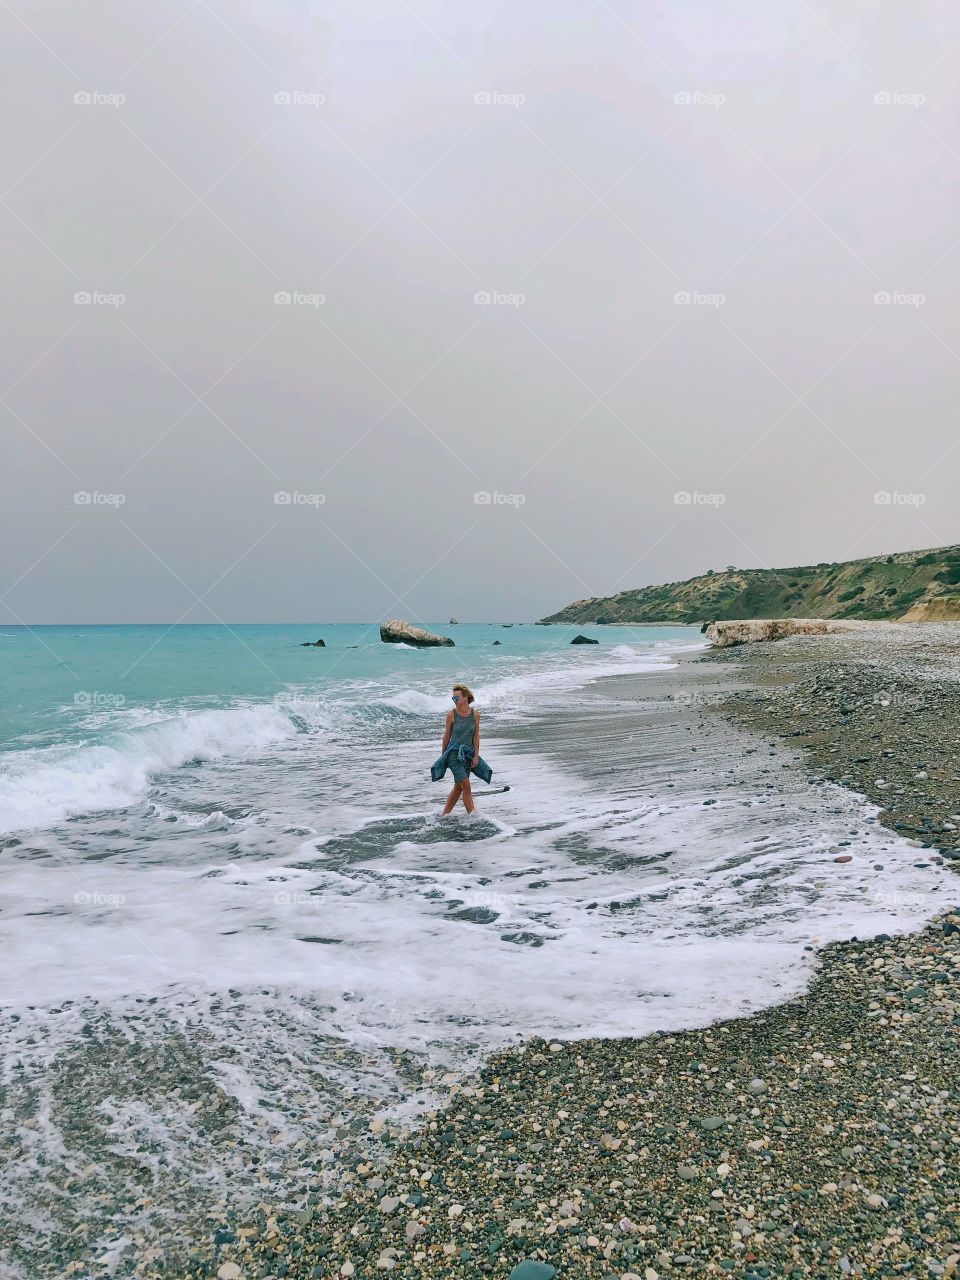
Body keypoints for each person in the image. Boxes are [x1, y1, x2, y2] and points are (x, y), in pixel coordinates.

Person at [440, 683, 480, 815]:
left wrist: (475, 756)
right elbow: (447, 736)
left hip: (467, 755)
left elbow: (475, 736)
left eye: (456, 698)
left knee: (458, 787)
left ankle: (444, 814)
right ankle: (473, 817)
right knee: (466, 786)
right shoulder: (451, 714)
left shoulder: (475, 715)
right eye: (453, 698)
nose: (454, 701)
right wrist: (443, 756)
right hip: (453, 755)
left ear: (465, 698)